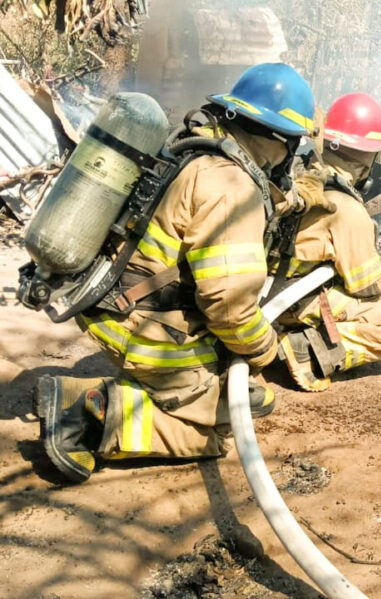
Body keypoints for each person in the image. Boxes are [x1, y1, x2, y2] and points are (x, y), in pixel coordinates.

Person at [35, 63, 321, 484]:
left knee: (242, 396)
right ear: (276, 140)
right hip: (142, 329)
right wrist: (265, 351)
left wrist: (307, 194)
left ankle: (190, 392)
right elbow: (229, 308)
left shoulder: (203, 154)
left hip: (118, 304)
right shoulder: (232, 187)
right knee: (219, 430)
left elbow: (264, 202)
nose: (292, 158)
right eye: (294, 146)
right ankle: (87, 419)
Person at [275, 92, 381, 392]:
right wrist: (366, 249)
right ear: (370, 157)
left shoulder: (303, 173)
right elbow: (367, 287)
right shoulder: (347, 208)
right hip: (294, 302)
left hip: (270, 286)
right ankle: (305, 348)